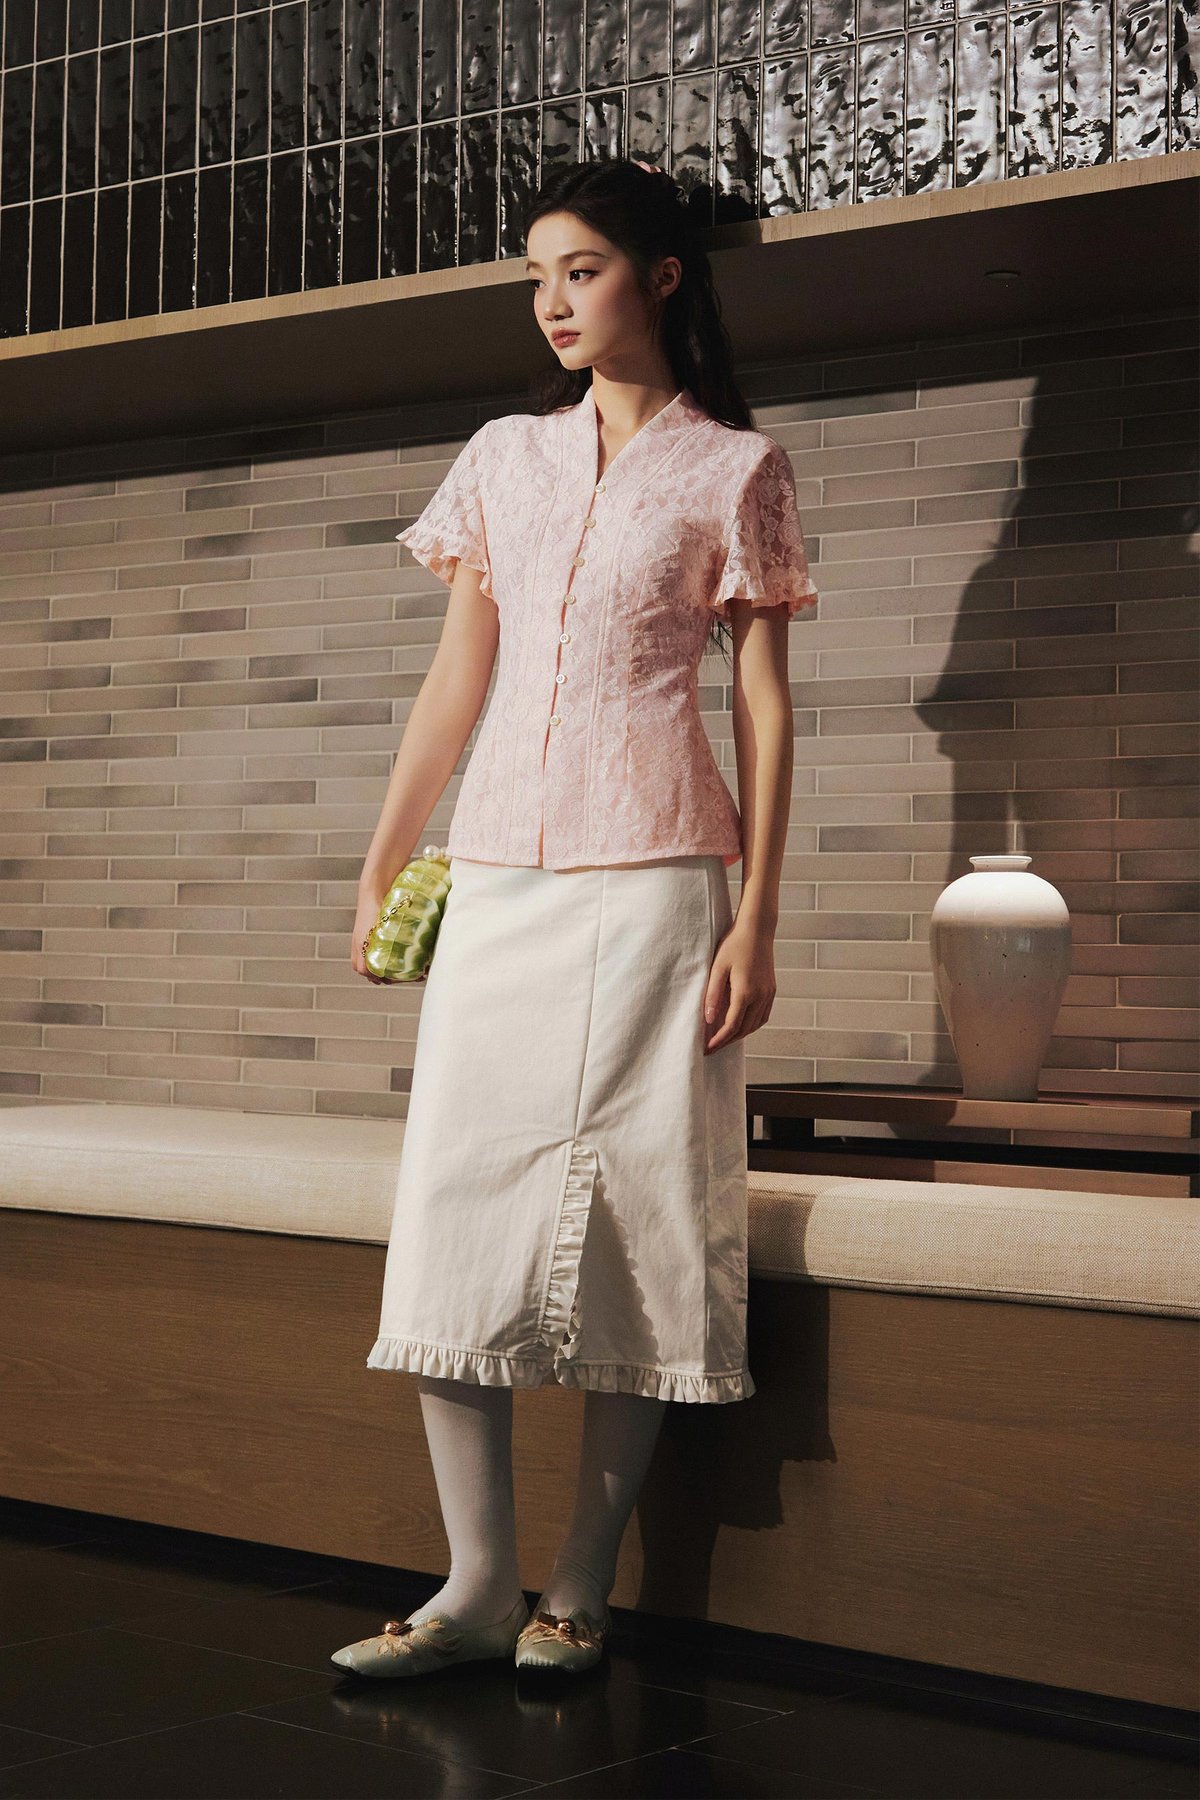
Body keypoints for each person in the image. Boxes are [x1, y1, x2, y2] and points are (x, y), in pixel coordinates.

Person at [330, 156, 818, 1681]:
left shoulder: (735, 467)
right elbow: (456, 680)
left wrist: (758, 919)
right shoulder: (503, 456)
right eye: (536, 275)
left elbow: (764, 709)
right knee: (456, 1204)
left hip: (663, 876)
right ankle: (475, 1584)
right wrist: (383, 857)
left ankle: (580, 1583)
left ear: (660, 277)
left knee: (643, 1209)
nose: (551, 301)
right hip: (500, 872)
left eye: (582, 269)